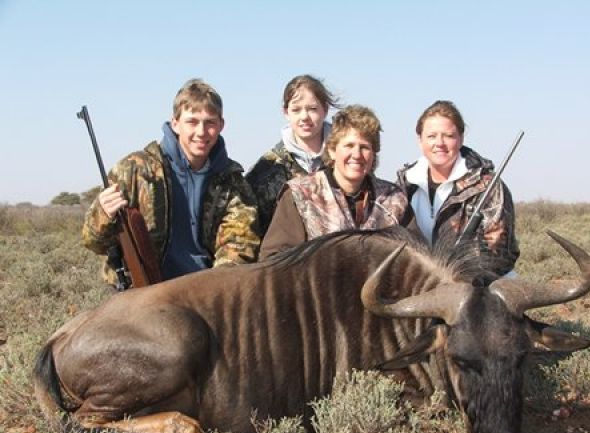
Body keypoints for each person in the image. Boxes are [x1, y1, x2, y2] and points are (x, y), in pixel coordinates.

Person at [82, 78, 260, 286]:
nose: (201, 132)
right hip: (142, 291)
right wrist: (103, 215)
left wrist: (214, 289)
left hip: (205, 289)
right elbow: (93, 242)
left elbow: (239, 245)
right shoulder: (134, 170)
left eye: (210, 122)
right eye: (192, 122)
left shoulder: (233, 182)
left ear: (221, 125)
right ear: (175, 123)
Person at [259, 105, 411, 259]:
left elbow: (414, 257)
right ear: (332, 151)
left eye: (364, 147)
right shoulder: (300, 196)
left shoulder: (394, 200)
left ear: (373, 155)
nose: (356, 154)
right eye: (349, 145)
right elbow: (273, 260)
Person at [397, 100, 519, 276]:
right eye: (431, 136)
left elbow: (499, 254)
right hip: (423, 283)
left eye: (448, 136)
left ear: (461, 139)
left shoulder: (488, 186)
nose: (439, 143)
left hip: (479, 283)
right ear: (420, 140)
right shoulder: (404, 186)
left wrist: (458, 281)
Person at [246, 74, 339, 237]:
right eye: (296, 110)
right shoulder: (267, 169)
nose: (304, 117)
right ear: (286, 112)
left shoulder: (346, 160)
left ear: (325, 110)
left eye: (312, 109)